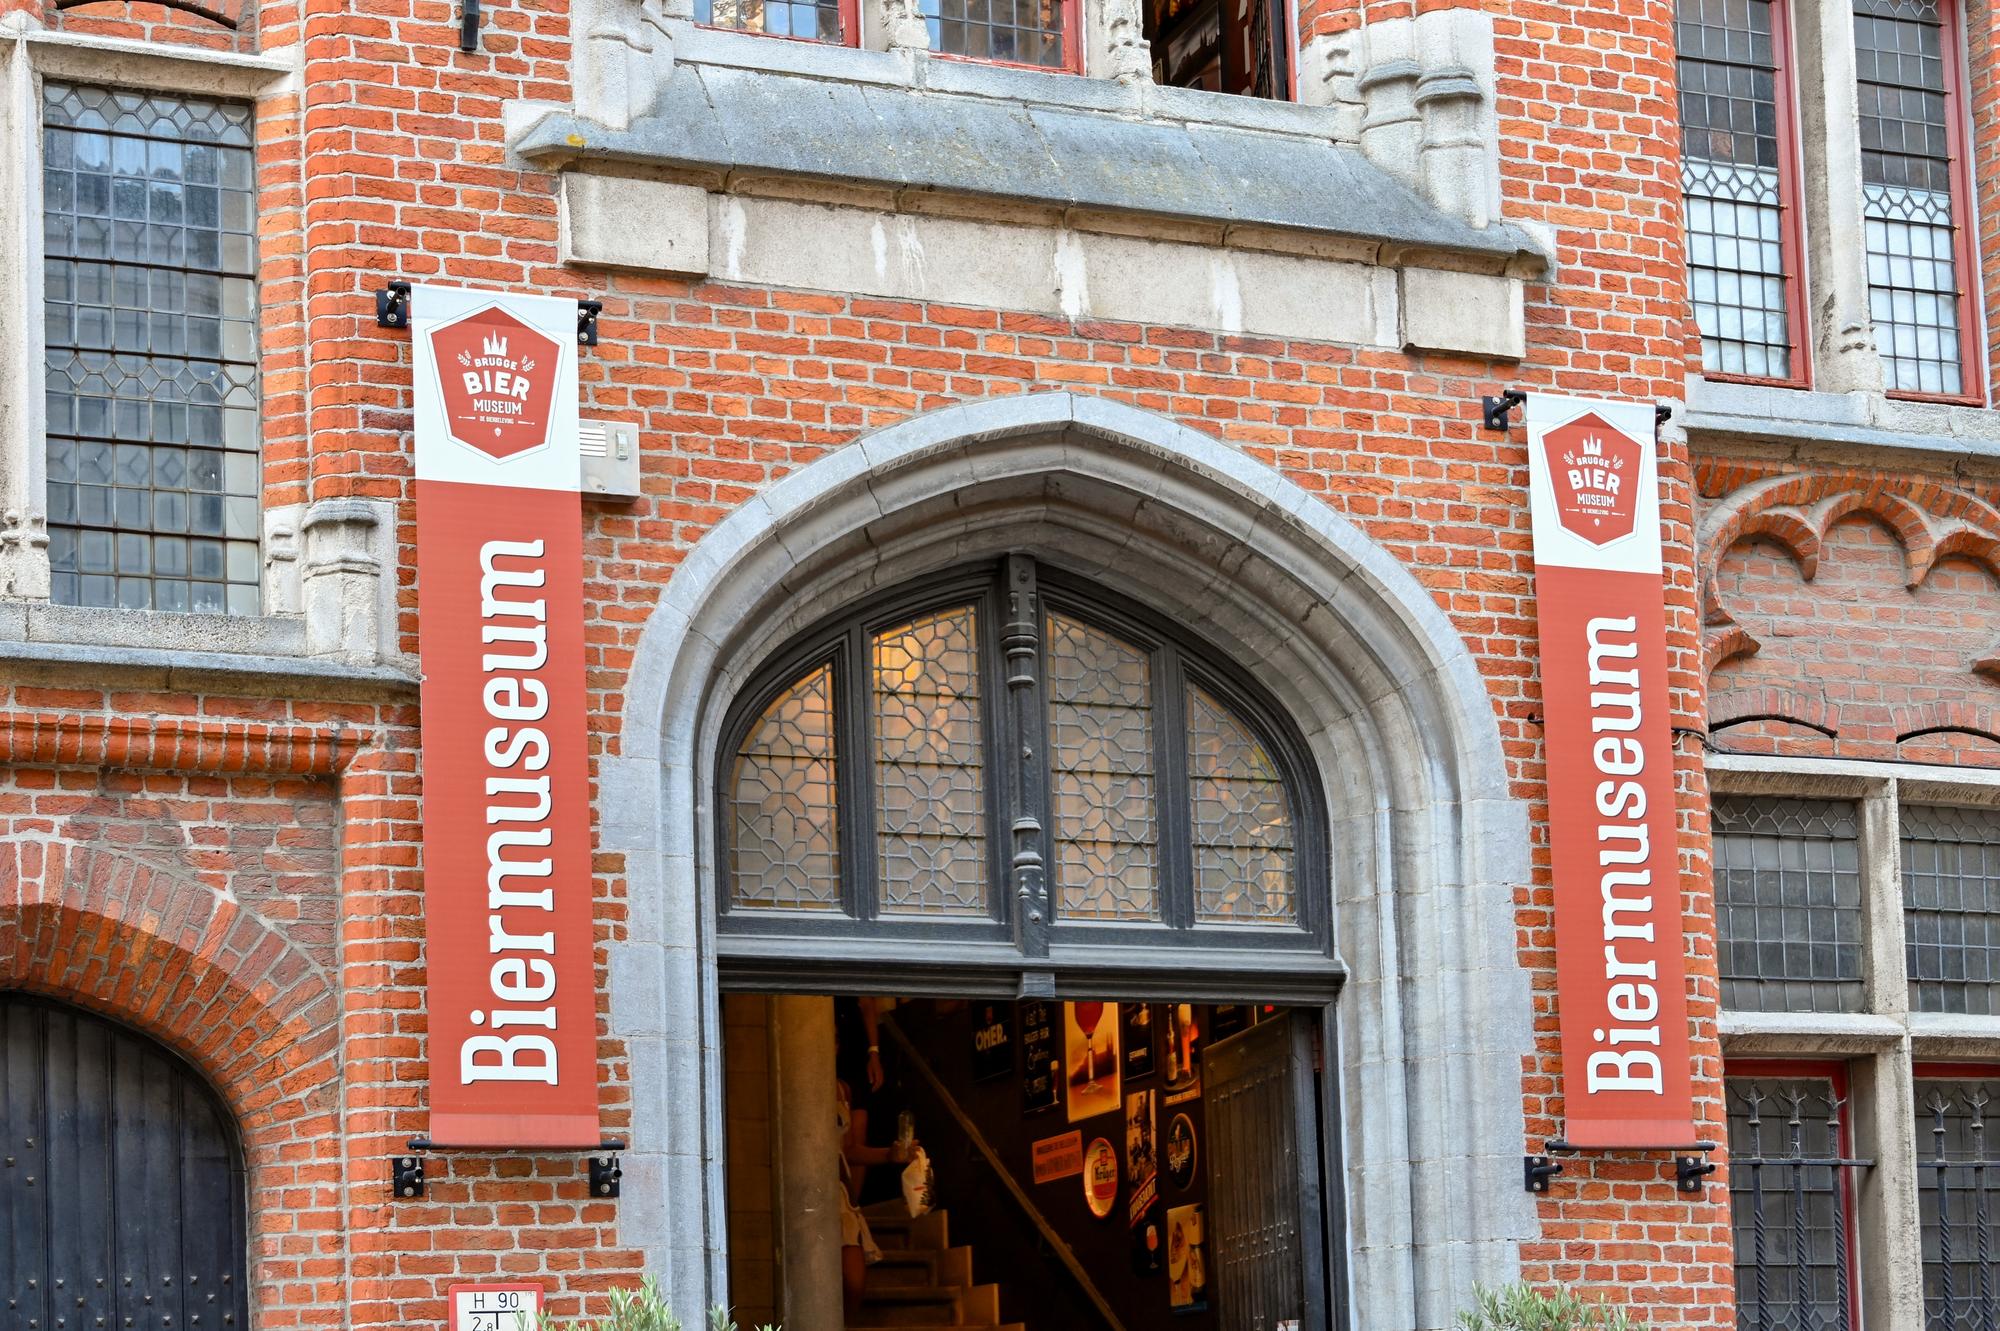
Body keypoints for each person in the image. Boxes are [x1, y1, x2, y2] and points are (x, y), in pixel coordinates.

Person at [838, 1073, 917, 1323]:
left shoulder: (842, 1089)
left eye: (837, 1039)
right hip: (807, 1187)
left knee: (854, 1279)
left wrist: (889, 1155)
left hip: (839, 1190)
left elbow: (848, 1150)